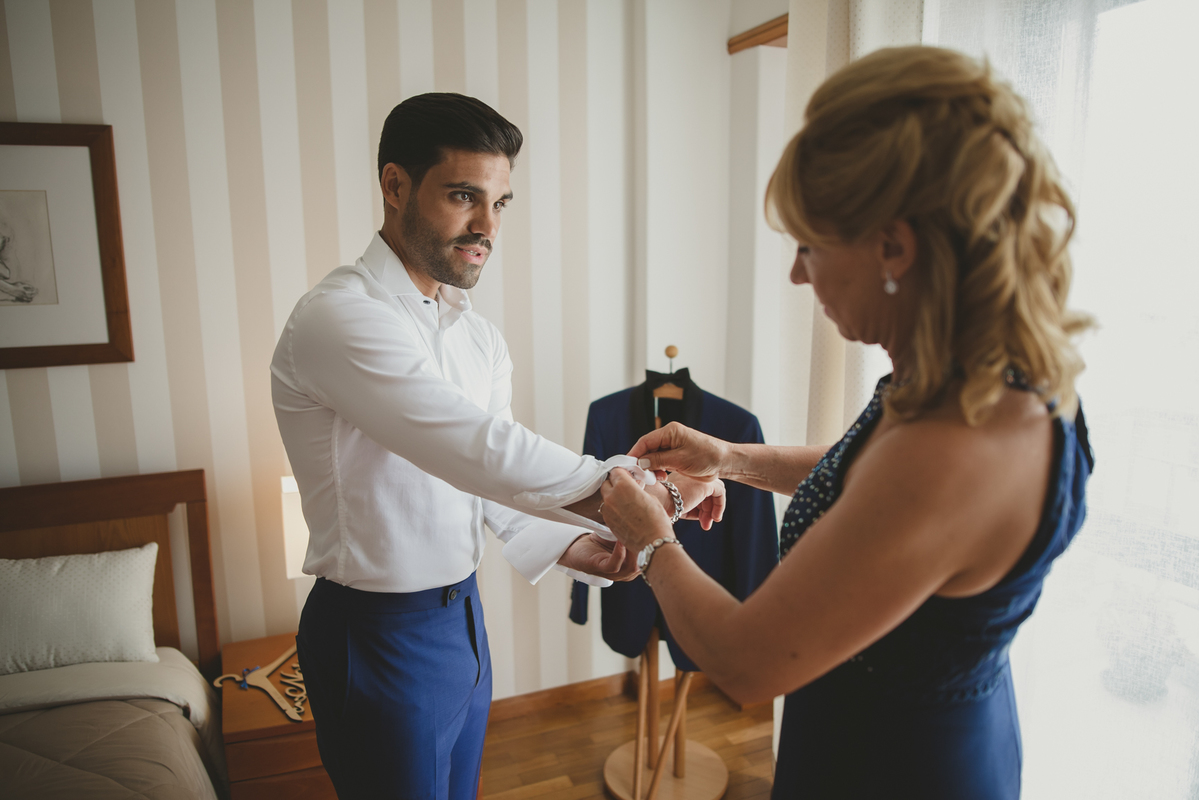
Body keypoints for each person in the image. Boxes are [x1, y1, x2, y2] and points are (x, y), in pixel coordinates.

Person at [598, 46, 1095, 799]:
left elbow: (744, 662)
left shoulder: (956, 451)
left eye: (808, 245)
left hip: (893, 767)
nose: (797, 273)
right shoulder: (981, 370)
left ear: (893, 246)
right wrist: (729, 457)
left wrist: (651, 537)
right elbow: (869, 472)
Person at [270, 93, 722, 800]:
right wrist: (647, 491)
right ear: (395, 186)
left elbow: (490, 486)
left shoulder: (478, 338)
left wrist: (574, 545)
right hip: (377, 634)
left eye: (500, 202)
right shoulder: (337, 318)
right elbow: (475, 449)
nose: (487, 226)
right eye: (463, 197)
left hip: (464, 622)